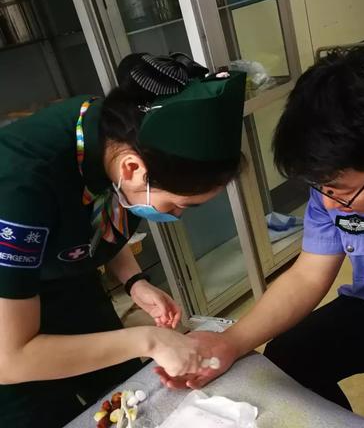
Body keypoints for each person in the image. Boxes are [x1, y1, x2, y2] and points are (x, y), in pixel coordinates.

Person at [156, 47, 364, 427]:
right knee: (288, 358)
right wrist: (231, 342)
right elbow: (308, 275)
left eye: (341, 192)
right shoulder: (336, 170)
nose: (327, 204)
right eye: (320, 188)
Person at [0, 52, 246, 427]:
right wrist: (150, 341)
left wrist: (134, 281)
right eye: (177, 205)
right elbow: (11, 359)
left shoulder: (116, 135)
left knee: (120, 398)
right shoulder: (18, 188)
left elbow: (98, 212)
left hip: (67, 283)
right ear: (134, 168)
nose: (176, 216)